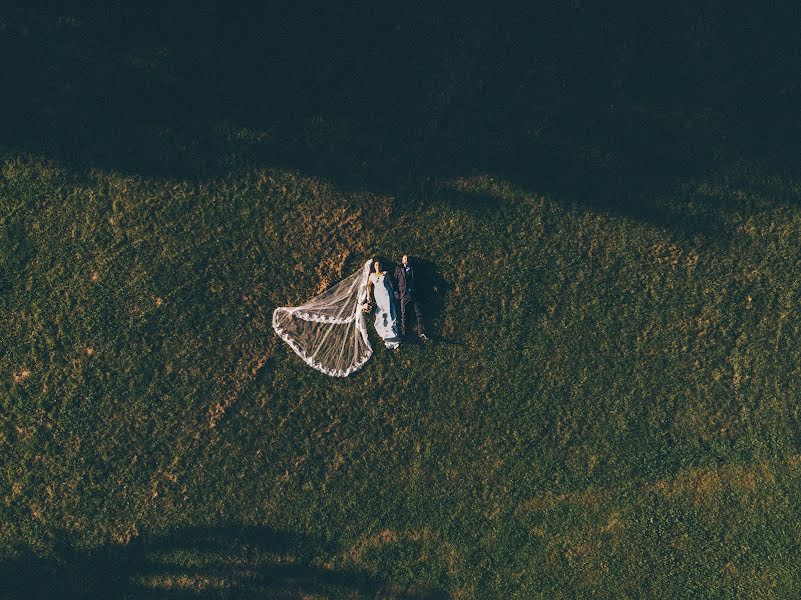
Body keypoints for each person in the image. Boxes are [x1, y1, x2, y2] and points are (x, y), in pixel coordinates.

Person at [361, 258, 402, 349]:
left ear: (381, 266)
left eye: (379, 265)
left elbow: (390, 283)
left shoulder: (385, 273)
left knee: (389, 311)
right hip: (378, 295)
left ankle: (392, 333)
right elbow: (369, 285)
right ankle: (385, 333)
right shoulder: (372, 275)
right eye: (376, 265)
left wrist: (394, 293)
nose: (378, 266)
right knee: (381, 312)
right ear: (374, 267)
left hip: (387, 294)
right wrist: (368, 295)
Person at [394, 255, 428, 341]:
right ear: (402, 261)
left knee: (419, 313)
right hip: (404, 295)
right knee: (404, 315)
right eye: (405, 258)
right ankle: (404, 334)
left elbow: (420, 279)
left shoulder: (414, 268)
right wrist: (396, 292)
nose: (407, 260)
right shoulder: (398, 269)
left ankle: (422, 331)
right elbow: (395, 281)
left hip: (414, 294)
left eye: (408, 259)